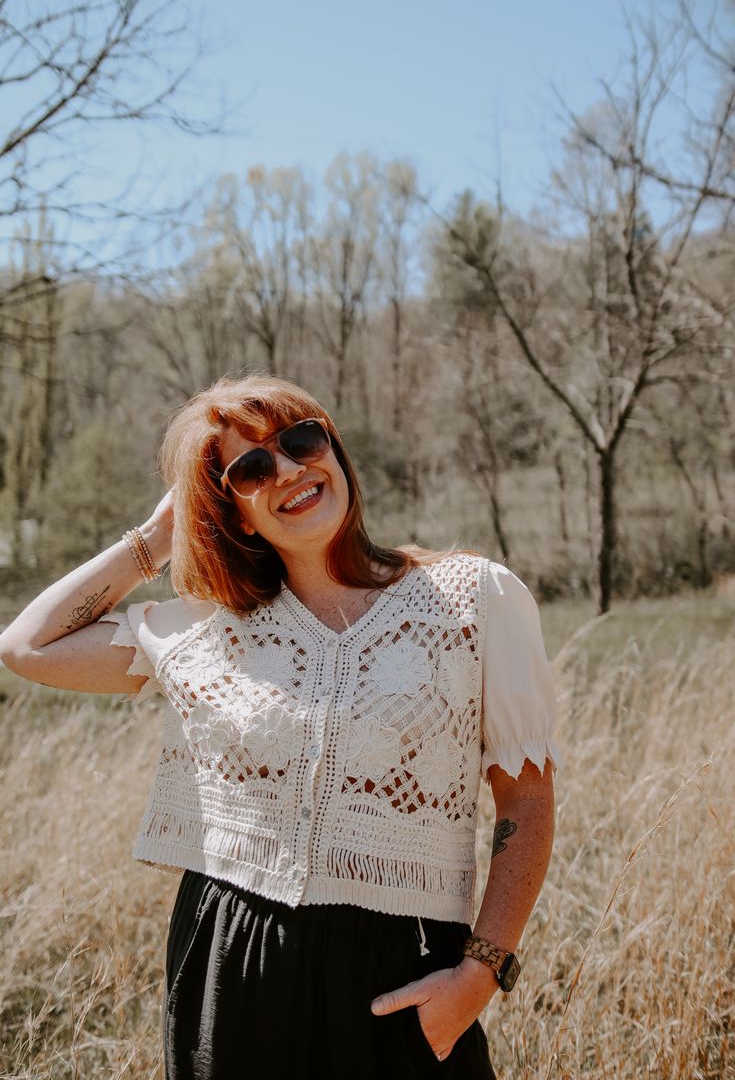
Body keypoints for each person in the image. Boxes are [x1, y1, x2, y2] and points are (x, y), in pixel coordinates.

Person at [0, 374, 562, 1080]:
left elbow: (527, 800)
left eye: (300, 440)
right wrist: (158, 537)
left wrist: (479, 974)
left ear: (332, 447)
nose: (289, 470)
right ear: (233, 512)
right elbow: (28, 646)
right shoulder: (208, 630)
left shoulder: (472, 599)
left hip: (401, 969)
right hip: (230, 963)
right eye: (251, 468)